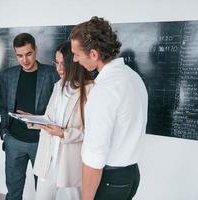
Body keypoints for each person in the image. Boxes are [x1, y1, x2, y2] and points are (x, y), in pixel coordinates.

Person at [70, 16, 148, 200]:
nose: (74, 59)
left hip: (110, 180)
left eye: (77, 54)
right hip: (131, 175)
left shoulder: (104, 91)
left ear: (94, 54)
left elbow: (94, 155)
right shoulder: (133, 77)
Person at [0, 32, 58, 200]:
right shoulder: (8, 75)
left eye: (28, 54)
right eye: (20, 56)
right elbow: (3, 106)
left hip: (42, 142)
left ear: (36, 50)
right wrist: (4, 133)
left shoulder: (52, 74)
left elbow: (58, 110)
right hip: (14, 141)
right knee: (13, 189)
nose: (25, 60)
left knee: (44, 192)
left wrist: (35, 118)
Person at [33, 41, 93, 200]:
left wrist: (63, 134)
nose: (58, 69)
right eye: (57, 63)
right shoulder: (58, 86)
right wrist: (34, 120)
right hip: (48, 158)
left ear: (75, 63)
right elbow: (50, 118)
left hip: (69, 162)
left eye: (63, 64)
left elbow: (92, 133)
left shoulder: (91, 90)